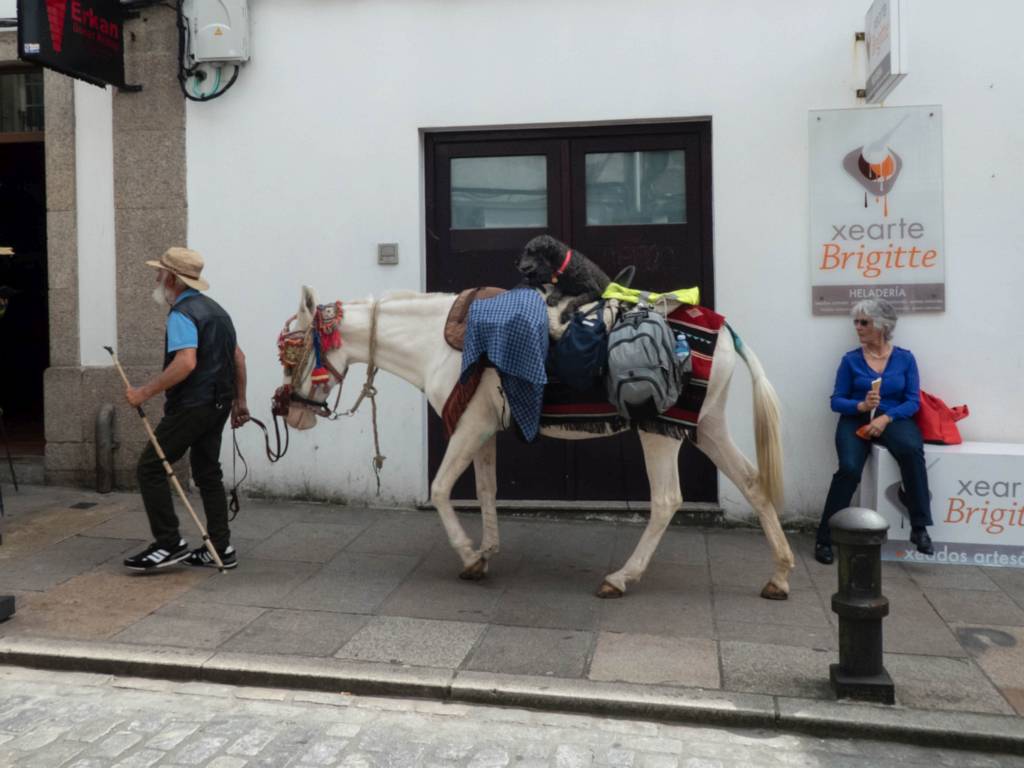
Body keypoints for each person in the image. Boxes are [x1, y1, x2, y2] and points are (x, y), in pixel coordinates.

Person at [123, 247, 250, 571]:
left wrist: (144, 392)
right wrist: (240, 402)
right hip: (218, 404)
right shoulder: (218, 311)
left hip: (192, 405)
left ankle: (168, 543)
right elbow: (239, 358)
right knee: (208, 473)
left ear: (173, 279)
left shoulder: (183, 313)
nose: (156, 278)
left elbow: (186, 362)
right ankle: (220, 549)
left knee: (150, 467)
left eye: (160, 273)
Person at [815, 298, 934, 565]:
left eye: (864, 322)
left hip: (893, 418)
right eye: (856, 322)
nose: (857, 327)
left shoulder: (905, 358)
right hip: (855, 420)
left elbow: (912, 401)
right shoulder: (850, 360)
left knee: (911, 450)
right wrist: (860, 405)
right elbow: (836, 400)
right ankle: (824, 538)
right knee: (848, 469)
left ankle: (919, 527)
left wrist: (886, 417)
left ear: (882, 325)